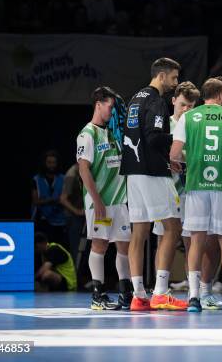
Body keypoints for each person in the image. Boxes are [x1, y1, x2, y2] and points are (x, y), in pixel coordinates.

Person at [120, 57, 187, 311]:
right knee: (172, 227)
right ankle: (160, 292)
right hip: (152, 173)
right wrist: (178, 141)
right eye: (173, 78)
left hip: (133, 173)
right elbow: (154, 137)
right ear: (161, 75)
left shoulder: (134, 99)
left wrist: (167, 161)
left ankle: (138, 295)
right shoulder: (156, 100)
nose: (175, 82)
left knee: (139, 232)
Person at [170, 78, 222, 312]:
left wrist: (189, 161)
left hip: (197, 184)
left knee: (196, 241)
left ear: (203, 96)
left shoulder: (188, 117)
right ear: (220, 96)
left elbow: (174, 153)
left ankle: (194, 297)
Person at [76, 86, 132, 310]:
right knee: (99, 245)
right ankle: (97, 295)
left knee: (124, 246)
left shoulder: (113, 133)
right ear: (98, 104)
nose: (112, 112)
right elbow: (83, 170)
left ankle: (125, 292)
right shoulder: (87, 134)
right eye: (110, 107)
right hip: (100, 202)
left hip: (120, 201)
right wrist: (97, 200)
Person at [152, 82, 200, 295]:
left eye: (190, 106)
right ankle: (160, 288)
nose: (186, 110)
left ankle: (193, 292)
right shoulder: (164, 127)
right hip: (166, 189)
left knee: (192, 241)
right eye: (182, 105)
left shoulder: (198, 127)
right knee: (164, 240)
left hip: (191, 192)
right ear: (173, 101)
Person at [32, 150, 67, 246]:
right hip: (42, 220)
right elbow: (35, 201)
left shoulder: (63, 178)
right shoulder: (36, 179)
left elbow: (66, 198)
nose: (52, 165)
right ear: (44, 163)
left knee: (58, 247)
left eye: (54, 163)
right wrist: (52, 200)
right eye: (49, 163)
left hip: (60, 220)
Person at [59, 163, 85, 264]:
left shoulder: (85, 170)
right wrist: (77, 212)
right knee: (76, 247)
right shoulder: (71, 175)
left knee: (84, 247)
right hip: (73, 217)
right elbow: (63, 199)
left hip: (84, 215)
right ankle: (75, 276)